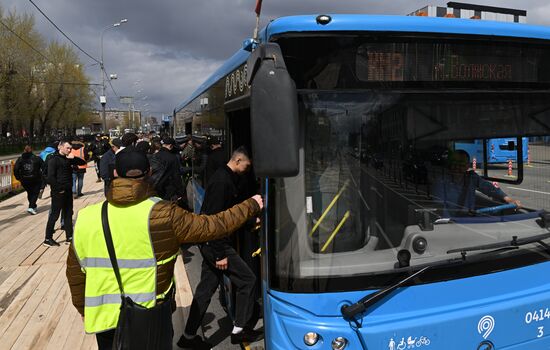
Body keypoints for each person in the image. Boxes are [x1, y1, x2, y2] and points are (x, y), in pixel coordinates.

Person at [66, 147, 263, 350]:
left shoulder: (85, 218)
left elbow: (75, 275)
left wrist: (83, 309)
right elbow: (211, 225)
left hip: (105, 322)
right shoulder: (164, 214)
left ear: (114, 173)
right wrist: (250, 205)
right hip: (152, 318)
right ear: (149, 172)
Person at [179, 146, 262, 348]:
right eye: (247, 166)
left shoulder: (225, 178)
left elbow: (227, 216)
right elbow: (213, 222)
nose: (248, 169)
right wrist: (219, 255)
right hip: (216, 244)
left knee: (206, 288)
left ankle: (188, 337)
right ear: (238, 161)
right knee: (247, 280)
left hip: (212, 244)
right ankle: (240, 330)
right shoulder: (222, 182)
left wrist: (250, 222)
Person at [432, 149, 521, 216]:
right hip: (451, 221)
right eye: (454, 164)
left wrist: (508, 199)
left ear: (467, 166)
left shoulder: (471, 177)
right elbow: (440, 206)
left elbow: (489, 188)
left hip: (470, 218)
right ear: (449, 165)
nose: (456, 168)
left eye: (461, 165)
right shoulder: (441, 181)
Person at [43, 139, 86, 247]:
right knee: (54, 215)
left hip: (67, 190)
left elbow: (83, 162)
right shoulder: (53, 159)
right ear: (60, 147)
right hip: (58, 192)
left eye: (70, 148)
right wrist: (59, 188)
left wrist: (73, 157)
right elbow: (50, 177)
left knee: (68, 214)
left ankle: (69, 237)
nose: (69, 150)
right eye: (67, 148)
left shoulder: (68, 158)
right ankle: (47, 239)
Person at [151, 137, 185, 201]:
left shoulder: (154, 156)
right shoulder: (172, 158)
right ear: (170, 146)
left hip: (154, 188)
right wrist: (180, 192)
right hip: (168, 190)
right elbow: (176, 176)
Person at [14, 145, 44, 215]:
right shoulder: (37, 158)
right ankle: (31, 207)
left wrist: (18, 177)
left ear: (24, 150)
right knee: (35, 193)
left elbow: (16, 169)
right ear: (32, 150)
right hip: (36, 179)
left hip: (24, 180)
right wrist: (42, 176)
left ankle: (34, 206)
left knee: (30, 193)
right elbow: (44, 166)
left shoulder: (20, 159)